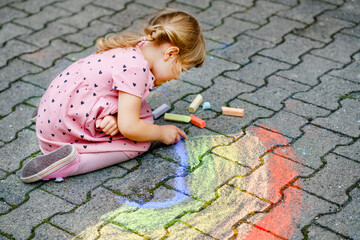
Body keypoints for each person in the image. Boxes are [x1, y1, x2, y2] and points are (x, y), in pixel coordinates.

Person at [21, 9, 205, 183]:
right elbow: (130, 127)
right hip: (62, 127)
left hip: (55, 106)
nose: (177, 77)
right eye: (181, 69)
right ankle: (72, 162)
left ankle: (59, 122)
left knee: (141, 115)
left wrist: (116, 118)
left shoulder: (136, 47)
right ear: (170, 53)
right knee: (138, 142)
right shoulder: (136, 70)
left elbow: (108, 91)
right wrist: (161, 133)